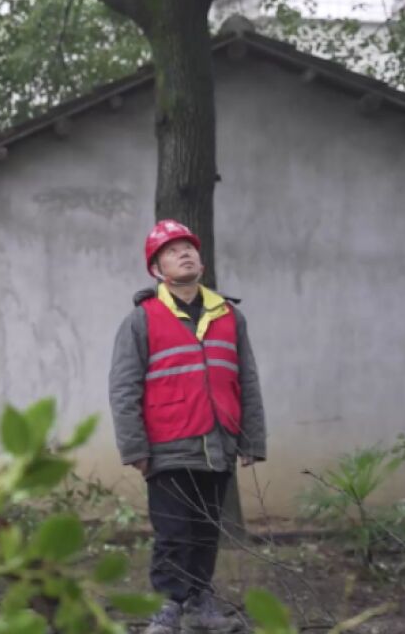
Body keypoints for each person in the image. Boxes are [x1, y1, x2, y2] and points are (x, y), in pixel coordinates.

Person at [107, 219, 267, 633]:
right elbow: (123, 388)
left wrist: (251, 439)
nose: (185, 253)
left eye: (189, 247)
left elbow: (245, 379)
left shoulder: (229, 315)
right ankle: (167, 606)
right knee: (173, 532)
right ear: (157, 269)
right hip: (167, 446)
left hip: (218, 444)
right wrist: (135, 449)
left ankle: (200, 603)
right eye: (172, 250)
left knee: (205, 530)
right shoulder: (141, 320)